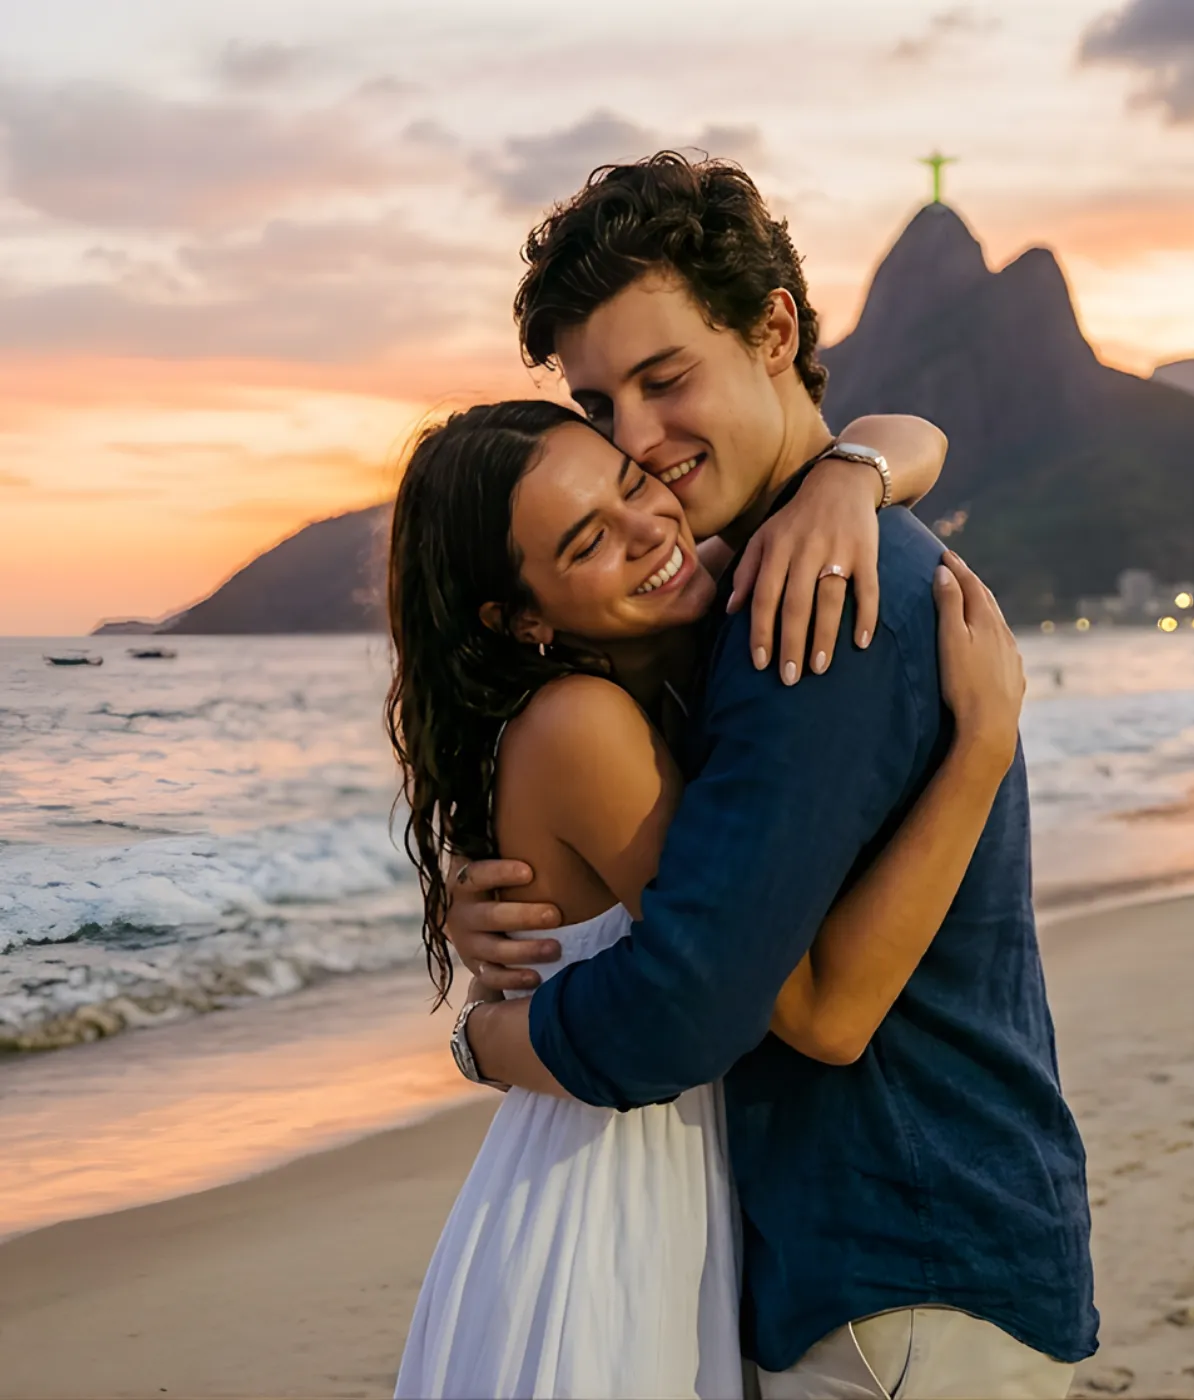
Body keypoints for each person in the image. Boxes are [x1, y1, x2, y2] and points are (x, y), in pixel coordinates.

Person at [449, 154, 1097, 1398]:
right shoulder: (789, 549)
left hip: (894, 1271)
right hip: (912, 1253)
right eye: (598, 402)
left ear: (775, 331)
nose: (635, 441)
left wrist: (485, 1039)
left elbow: (720, 1008)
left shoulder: (809, 608)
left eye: (663, 376)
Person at [387, 398, 1024, 1398]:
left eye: (633, 483)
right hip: (599, 1197)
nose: (650, 530)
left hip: (664, 1172)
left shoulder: (684, 632)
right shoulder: (582, 722)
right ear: (521, 618)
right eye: (589, 539)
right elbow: (795, 997)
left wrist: (846, 474)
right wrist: (979, 747)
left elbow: (920, 435)